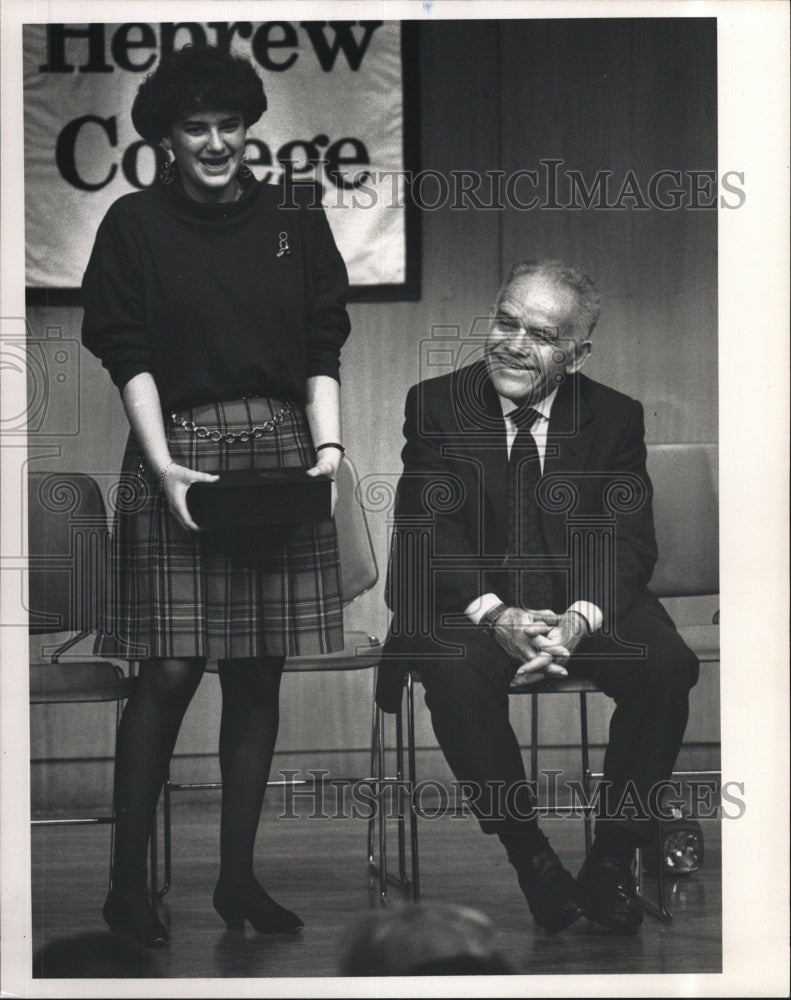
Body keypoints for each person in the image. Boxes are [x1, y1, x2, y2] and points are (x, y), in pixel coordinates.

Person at [81, 45, 351, 947]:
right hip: (179, 449)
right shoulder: (132, 225)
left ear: (247, 128)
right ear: (164, 136)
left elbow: (322, 344)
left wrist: (330, 447)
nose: (215, 141)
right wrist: (162, 468)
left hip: (281, 447)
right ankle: (127, 889)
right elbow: (130, 355)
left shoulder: (296, 213)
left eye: (229, 125)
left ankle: (238, 882)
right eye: (195, 127)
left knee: (258, 669)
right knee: (166, 672)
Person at [377, 258, 699, 935]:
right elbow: (425, 532)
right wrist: (495, 614)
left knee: (667, 664)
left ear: (576, 354)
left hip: (578, 603)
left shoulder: (613, 418)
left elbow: (626, 542)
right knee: (453, 675)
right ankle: (533, 861)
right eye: (505, 322)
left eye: (542, 335)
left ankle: (611, 858)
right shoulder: (435, 404)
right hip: (471, 604)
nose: (515, 344)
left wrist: (577, 622)